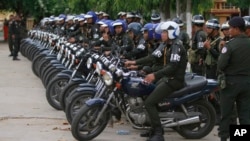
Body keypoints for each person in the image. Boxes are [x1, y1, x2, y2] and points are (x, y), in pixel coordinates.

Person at [125, 21, 187, 141]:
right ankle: (153, 128)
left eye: (164, 32)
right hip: (166, 78)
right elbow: (152, 57)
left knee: (149, 103)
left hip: (174, 81)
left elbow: (172, 67)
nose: (162, 34)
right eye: (163, 32)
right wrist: (133, 63)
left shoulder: (177, 46)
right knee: (146, 93)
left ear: (171, 33)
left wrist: (154, 75)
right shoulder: (165, 45)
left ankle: (159, 133)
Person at [217, 16, 250, 141]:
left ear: (237, 29)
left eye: (230, 28)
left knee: (226, 114)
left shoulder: (229, 45)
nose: (229, 30)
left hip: (230, 84)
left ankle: (224, 138)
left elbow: (220, 65)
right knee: (245, 115)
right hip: (247, 83)